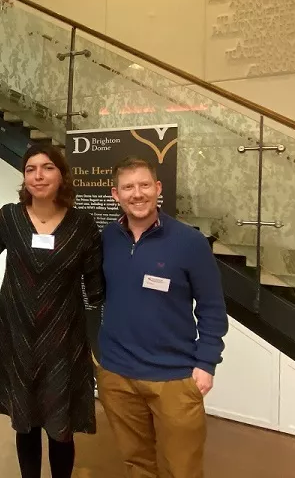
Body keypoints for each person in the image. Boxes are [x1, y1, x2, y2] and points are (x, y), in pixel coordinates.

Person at [0, 143, 104, 478]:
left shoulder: (82, 224)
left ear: (62, 175)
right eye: (30, 169)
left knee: (61, 427)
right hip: (17, 336)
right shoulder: (9, 217)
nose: (38, 175)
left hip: (63, 340)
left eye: (47, 167)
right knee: (26, 422)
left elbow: (96, 283)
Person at [97, 156, 228, 478]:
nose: (137, 194)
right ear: (116, 194)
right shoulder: (107, 238)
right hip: (117, 374)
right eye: (128, 187)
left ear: (157, 188)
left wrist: (206, 363)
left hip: (174, 376)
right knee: (136, 462)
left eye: (144, 185)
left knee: (182, 468)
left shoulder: (190, 242)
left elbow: (212, 306)